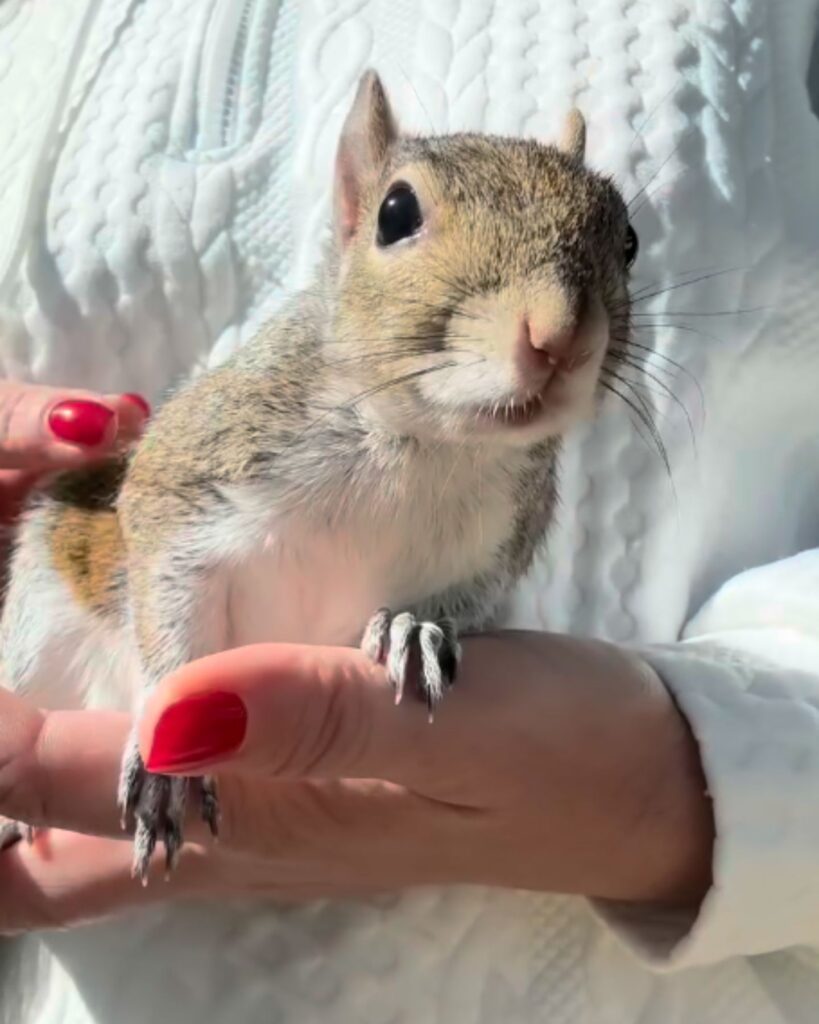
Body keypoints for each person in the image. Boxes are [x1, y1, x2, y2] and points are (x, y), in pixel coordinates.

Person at [2, 1, 819, 1022]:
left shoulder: (520, 472)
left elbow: (477, 576)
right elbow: (164, 516)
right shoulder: (268, 416)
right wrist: (163, 687)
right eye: (402, 221)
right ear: (355, 209)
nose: (561, 324)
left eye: (612, 256)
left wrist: (707, 786)